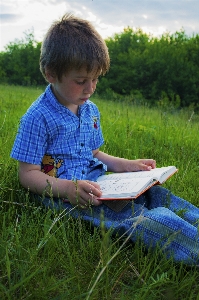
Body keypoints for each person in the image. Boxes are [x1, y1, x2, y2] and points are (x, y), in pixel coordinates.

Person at [11, 13, 199, 265]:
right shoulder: (38, 117)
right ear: (50, 74)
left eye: (95, 79)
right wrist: (68, 188)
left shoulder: (89, 110)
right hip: (68, 196)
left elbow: (95, 154)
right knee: (141, 219)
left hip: (99, 183)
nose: (90, 88)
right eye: (80, 81)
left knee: (158, 197)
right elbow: (27, 174)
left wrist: (128, 165)